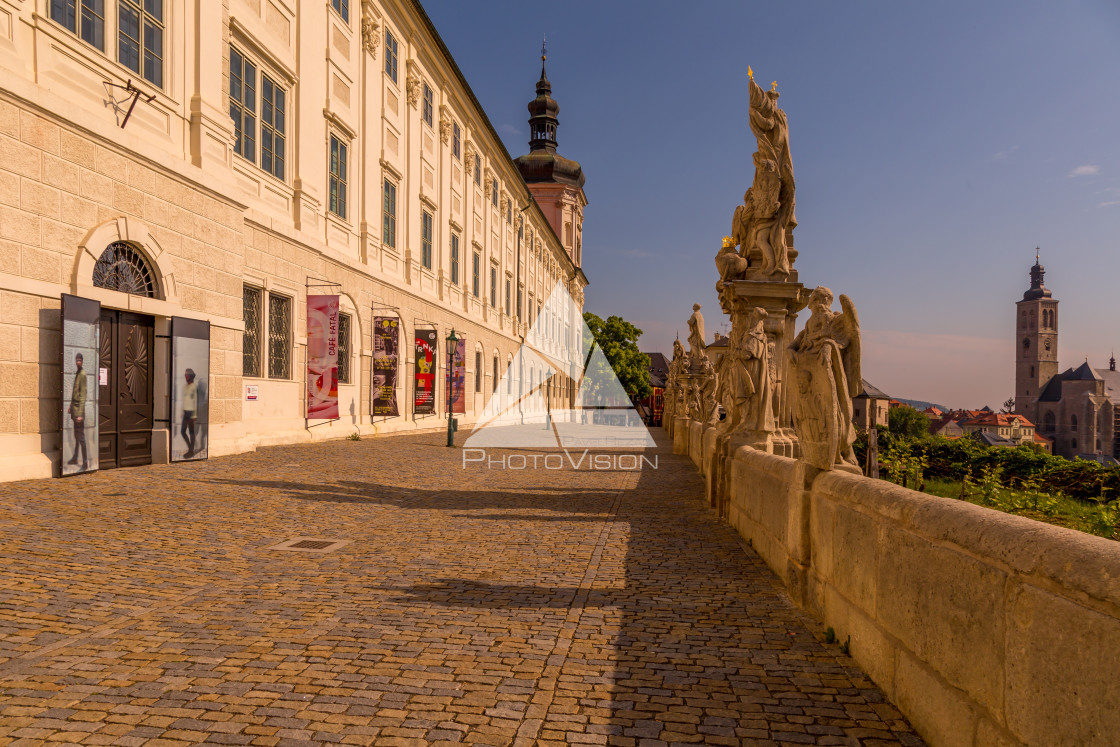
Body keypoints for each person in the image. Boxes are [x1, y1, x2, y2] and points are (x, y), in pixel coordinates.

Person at [67, 352, 88, 470]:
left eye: (80, 360)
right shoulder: (78, 373)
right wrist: (70, 406)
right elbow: (75, 392)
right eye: (77, 360)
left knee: (81, 437)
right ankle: (75, 457)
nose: (78, 362)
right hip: (74, 409)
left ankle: (85, 463)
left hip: (79, 411)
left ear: (82, 361)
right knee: (76, 435)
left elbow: (83, 395)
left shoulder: (83, 374)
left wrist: (80, 414)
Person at [181, 368, 198, 458]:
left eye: (187, 374)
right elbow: (184, 400)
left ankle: (191, 451)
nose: (185, 376)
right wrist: (182, 410)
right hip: (186, 411)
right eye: (185, 374)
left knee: (191, 431)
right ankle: (190, 449)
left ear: (190, 376)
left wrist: (194, 415)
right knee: (183, 431)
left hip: (191, 412)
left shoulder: (193, 386)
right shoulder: (185, 386)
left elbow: (195, 400)